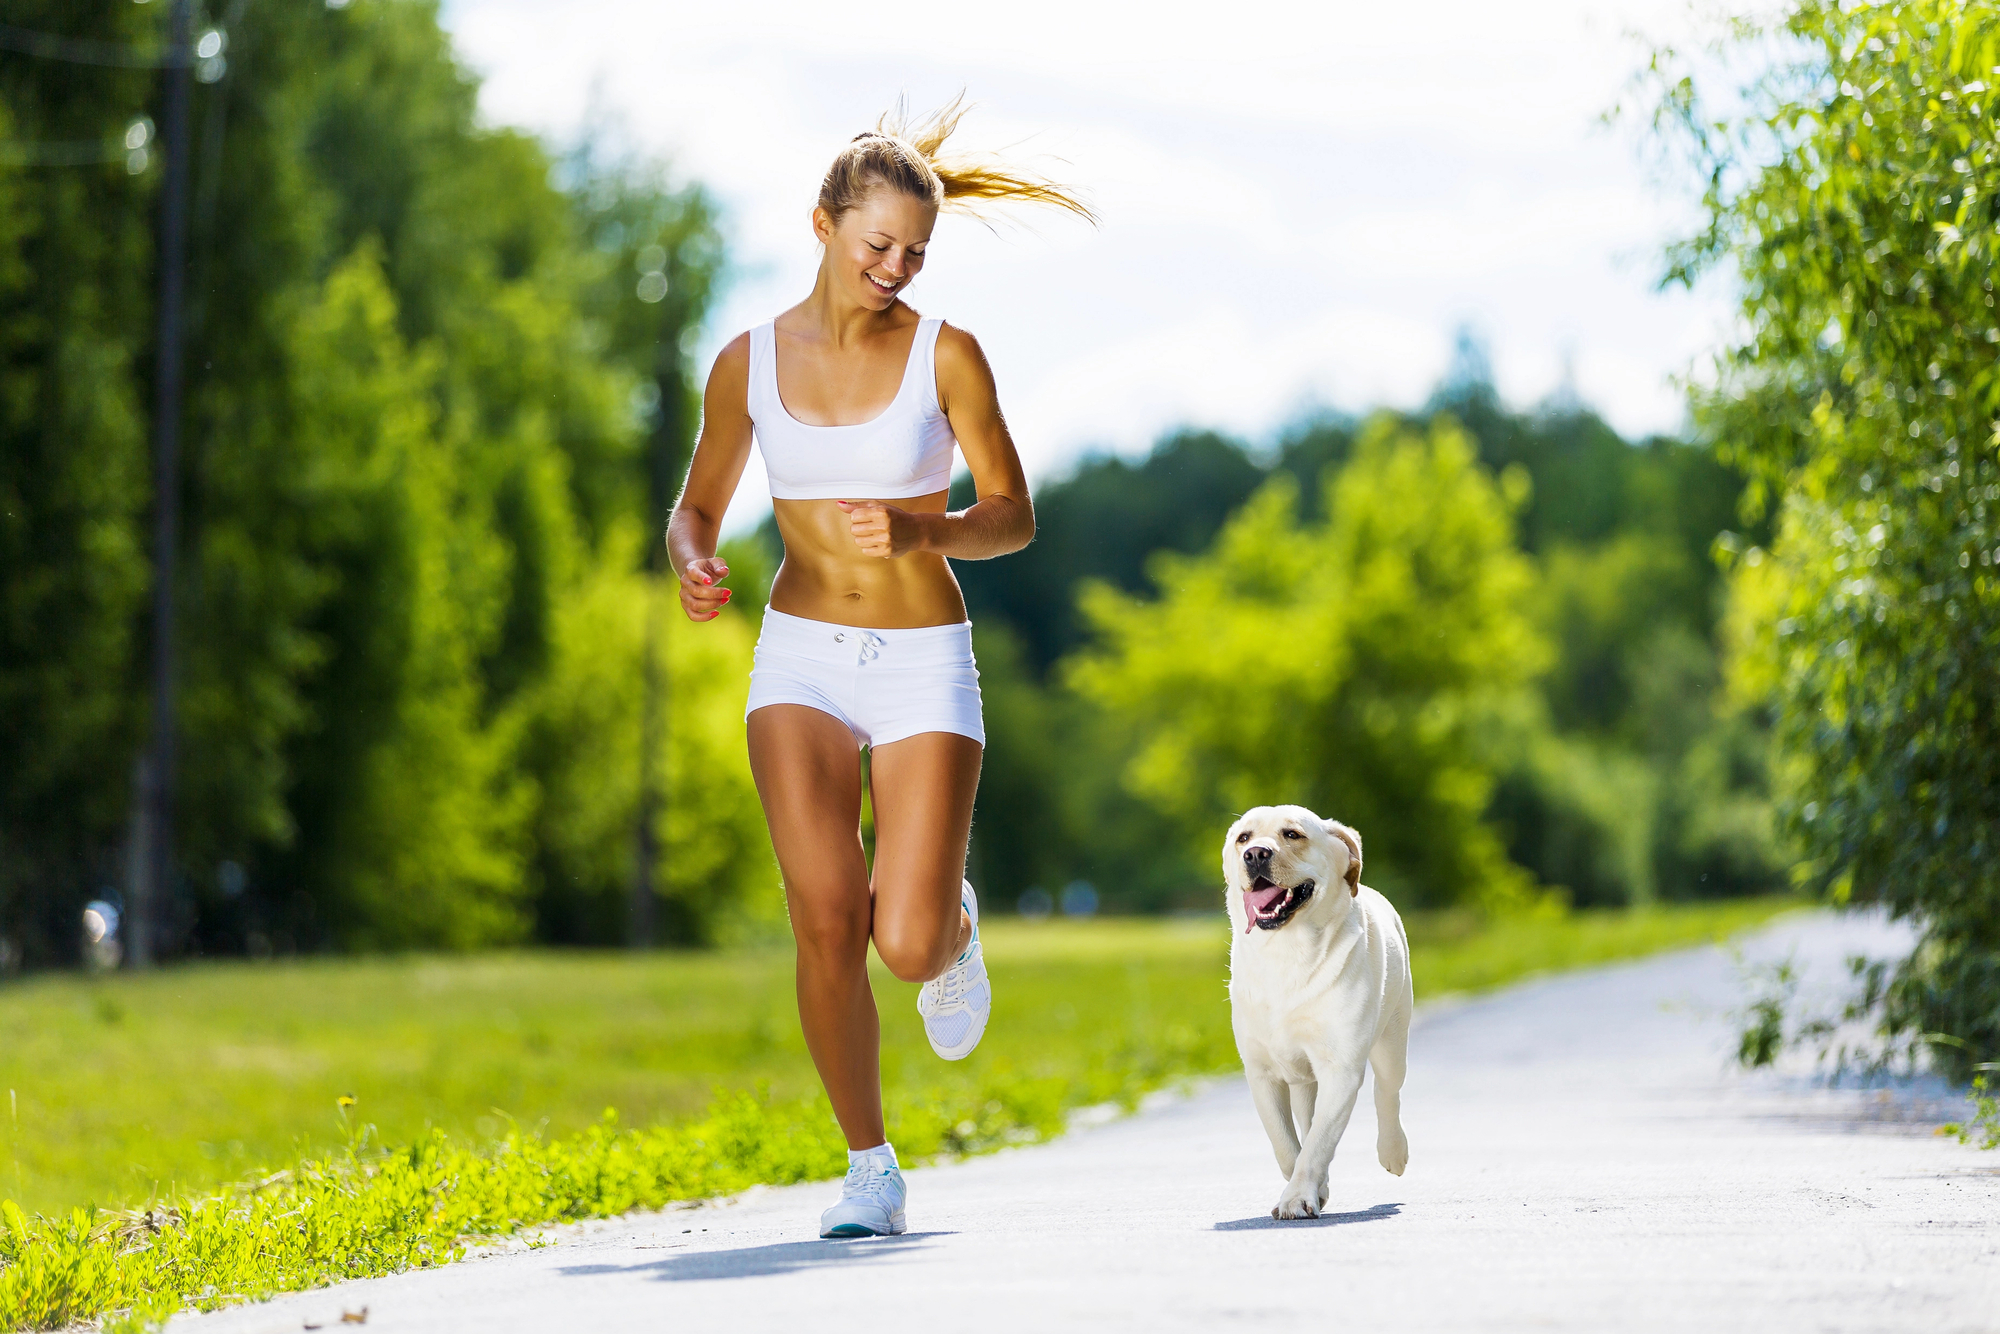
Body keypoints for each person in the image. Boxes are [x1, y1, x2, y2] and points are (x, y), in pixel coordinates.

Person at [666, 100, 1092, 1239]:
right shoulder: (746, 362)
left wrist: (923, 532)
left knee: (898, 941)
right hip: (798, 654)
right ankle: (869, 1167)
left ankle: (946, 915)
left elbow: (1011, 514)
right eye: (875, 247)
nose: (894, 269)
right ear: (822, 224)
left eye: (913, 252)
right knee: (820, 915)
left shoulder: (946, 353)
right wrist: (692, 556)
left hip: (920, 661)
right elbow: (697, 504)